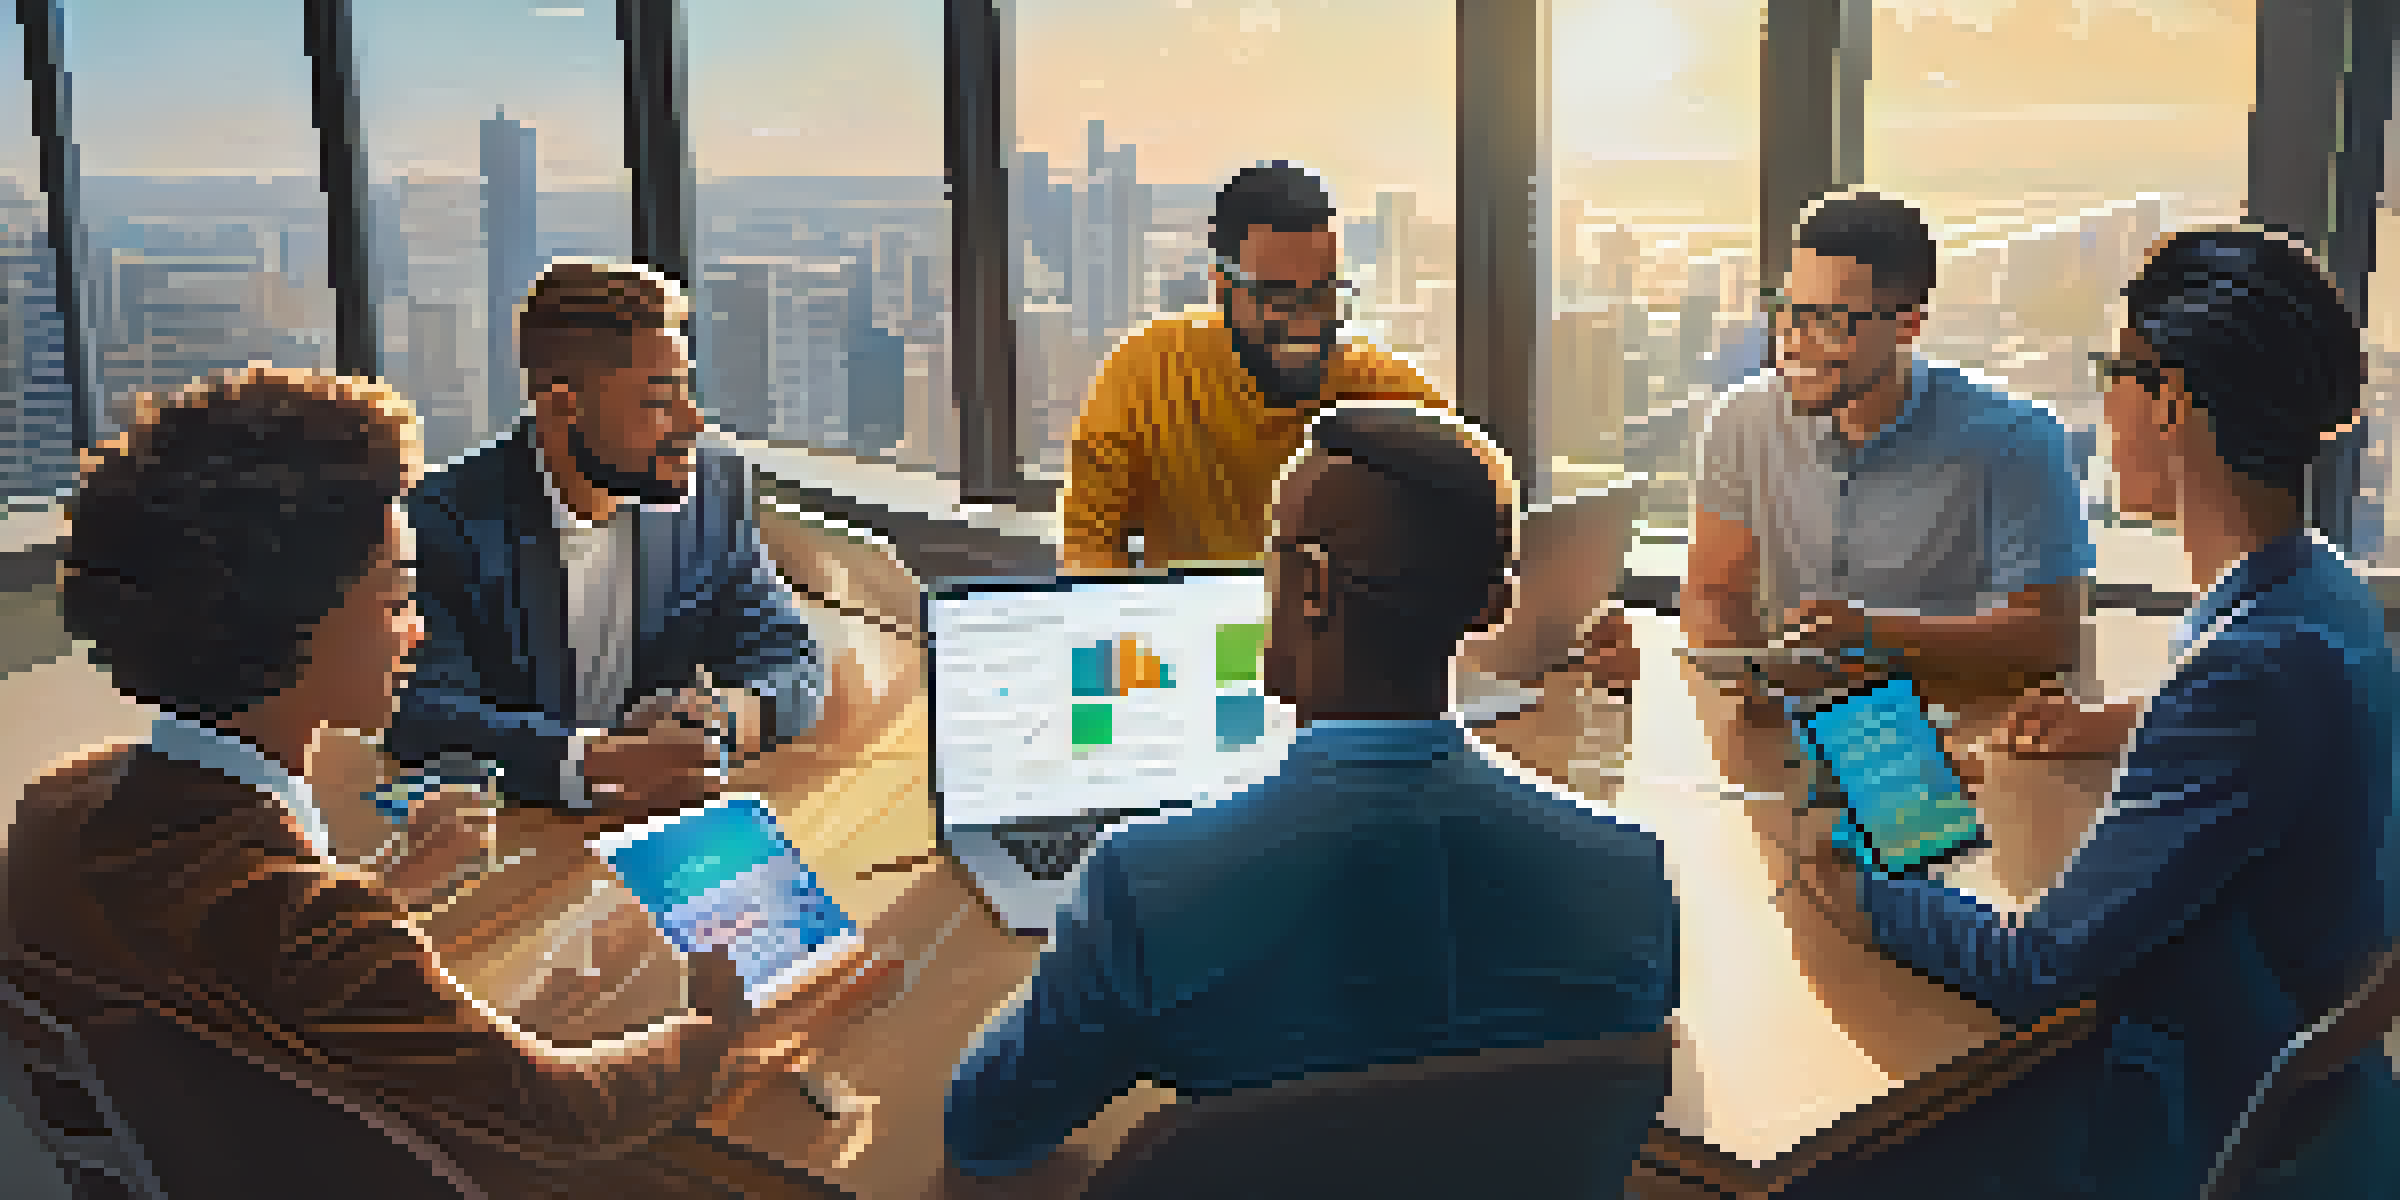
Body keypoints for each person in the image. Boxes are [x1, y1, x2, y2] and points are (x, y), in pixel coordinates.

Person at [12, 366, 772, 1196]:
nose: (417, 630)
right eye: (396, 595)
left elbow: (234, 951)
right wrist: (708, 1025)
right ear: (291, 629)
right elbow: (562, 1116)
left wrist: (390, 886)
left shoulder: (61, 801)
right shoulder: (312, 929)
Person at [1777, 226, 2400, 1198]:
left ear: (2171, 401)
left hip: (2181, 1113)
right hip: (2296, 1090)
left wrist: (1853, 883)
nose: (2103, 402)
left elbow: (2035, 966)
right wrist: (2121, 727)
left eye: (2117, 370)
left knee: (1814, 1167)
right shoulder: (2321, 596)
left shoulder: (2247, 672)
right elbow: (2263, 736)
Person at [947, 404, 1679, 1180]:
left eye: (1275, 556)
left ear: (1313, 588)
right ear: (1495, 608)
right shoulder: (1628, 876)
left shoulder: (1144, 884)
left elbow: (988, 1132)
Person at [385, 260, 833, 820]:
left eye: (686, 393)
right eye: (656, 402)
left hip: (655, 831)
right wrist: (596, 763)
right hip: (514, 837)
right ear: (561, 403)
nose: (692, 423)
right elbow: (421, 711)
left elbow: (791, 657)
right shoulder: (443, 523)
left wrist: (722, 718)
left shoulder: (711, 490)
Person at [1686, 191, 2094, 711]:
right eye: (1787, 312)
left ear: (1907, 325)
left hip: (1960, 743)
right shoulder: (1742, 420)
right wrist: (1743, 686)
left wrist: (1875, 634)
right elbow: (1713, 591)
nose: (1792, 343)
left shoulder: (2018, 440)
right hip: (1793, 731)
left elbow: (2051, 638)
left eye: (1829, 322)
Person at [1061, 161, 1448, 572]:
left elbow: (1471, 524)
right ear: (1222, 287)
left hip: (1341, 633)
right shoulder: (1148, 372)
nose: (1306, 322)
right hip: (1189, 628)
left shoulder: (1388, 393)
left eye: (1323, 293)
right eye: (1277, 296)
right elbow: (1090, 550)